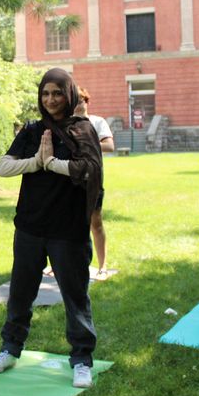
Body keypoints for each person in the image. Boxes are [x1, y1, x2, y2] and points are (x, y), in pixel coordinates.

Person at [0, 68, 104, 388]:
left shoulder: (82, 129)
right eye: (46, 93)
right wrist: (37, 161)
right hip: (30, 225)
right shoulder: (32, 130)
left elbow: (90, 169)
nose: (51, 99)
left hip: (68, 228)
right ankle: (10, 348)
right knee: (20, 292)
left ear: (69, 95)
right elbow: (4, 167)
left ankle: (82, 359)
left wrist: (53, 164)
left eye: (57, 93)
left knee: (75, 296)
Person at [76, 87, 114, 279]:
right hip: (69, 178)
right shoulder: (65, 124)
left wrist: (85, 145)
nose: (78, 105)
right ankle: (60, 264)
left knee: (95, 222)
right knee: (66, 223)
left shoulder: (97, 122)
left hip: (92, 179)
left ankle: (102, 266)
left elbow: (109, 145)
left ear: (87, 101)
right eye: (74, 101)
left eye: (81, 100)